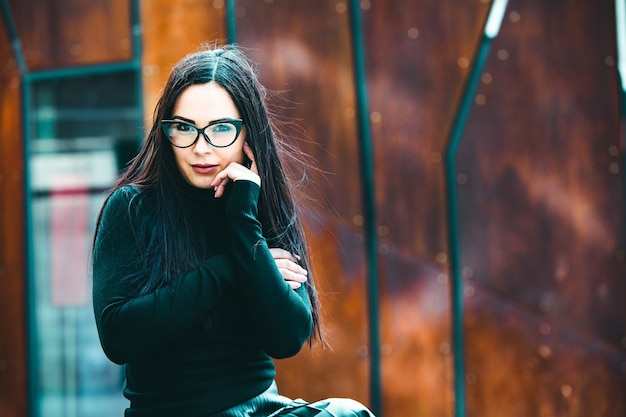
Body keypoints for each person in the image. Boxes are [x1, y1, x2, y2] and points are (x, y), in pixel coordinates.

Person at [91, 44, 375, 417]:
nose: (201, 148)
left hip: (262, 409)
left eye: (221, 129)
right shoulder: (132, 207)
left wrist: (243, 219)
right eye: (184, 128)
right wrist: (230, 269)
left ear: (248, 135)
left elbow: (286, 337)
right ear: (166, 132)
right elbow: (119, 336)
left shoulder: (256, 205)